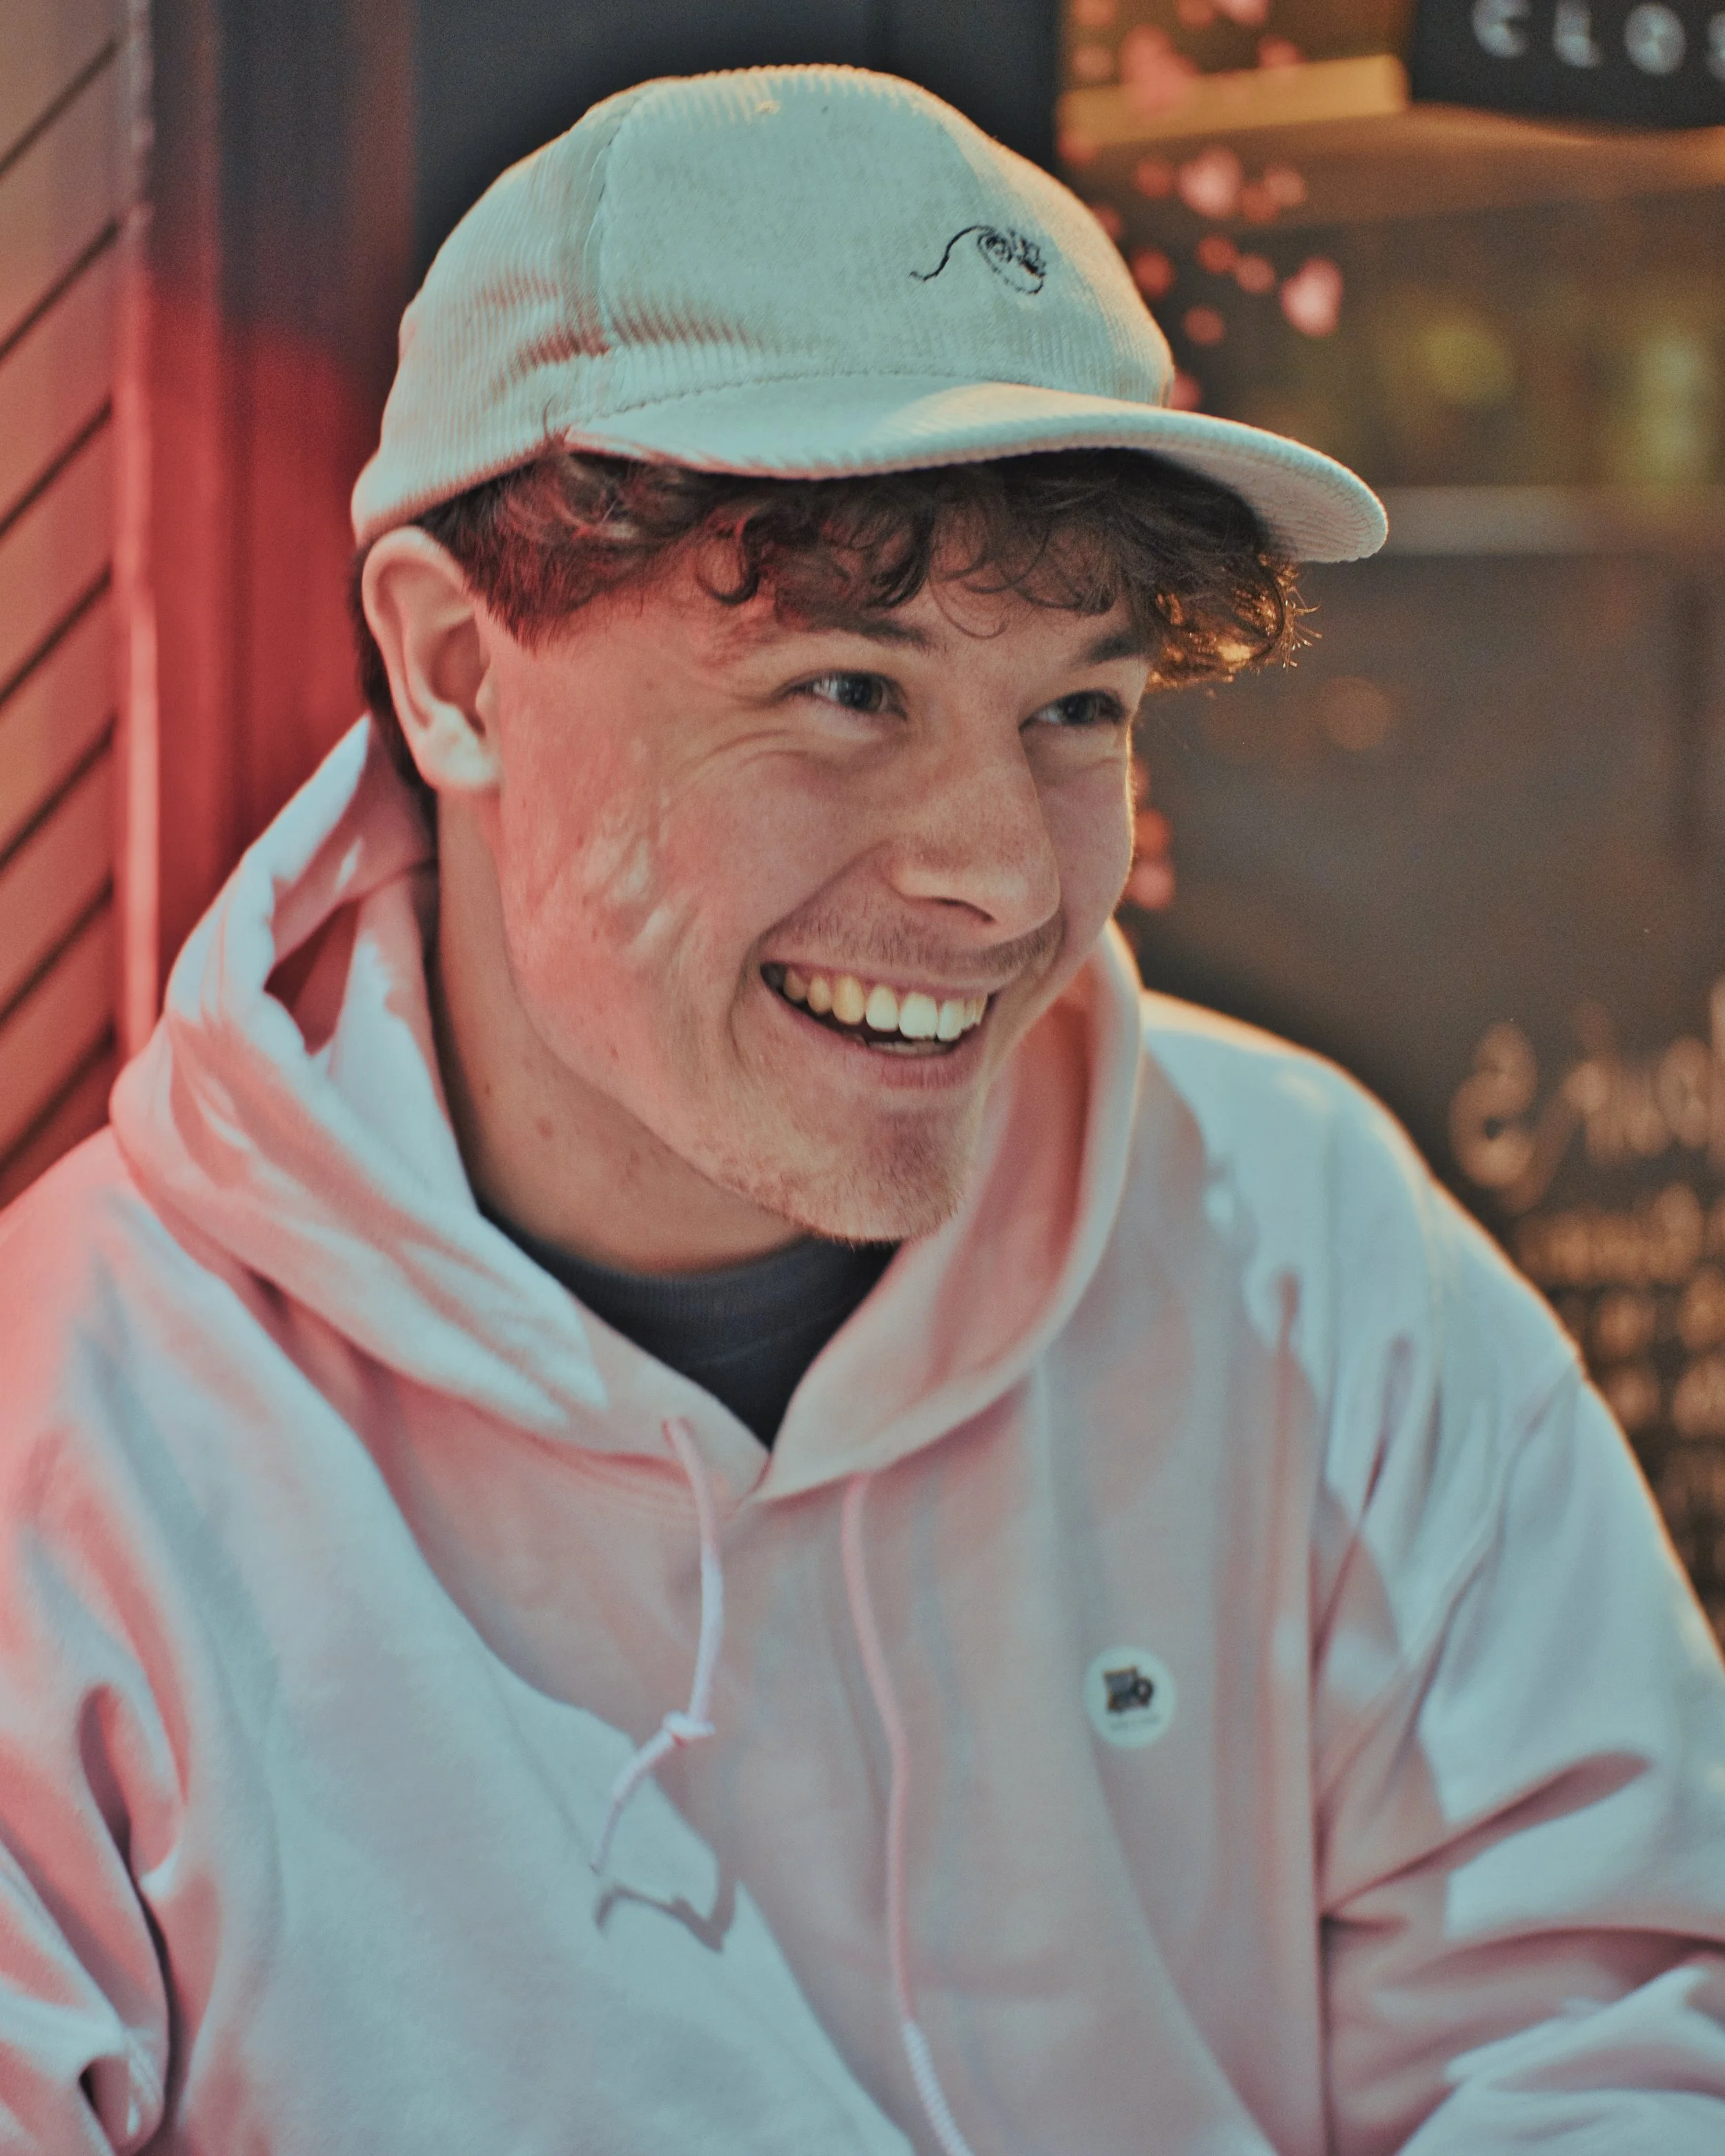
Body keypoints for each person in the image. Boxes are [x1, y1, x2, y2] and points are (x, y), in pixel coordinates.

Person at [1, 64, 1722, 2156]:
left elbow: (1604, 2039)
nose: (999, 875)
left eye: (1076, 707)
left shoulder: (1316, 1249)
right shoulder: (74, 1437)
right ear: (454, 670)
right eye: (846, 690)